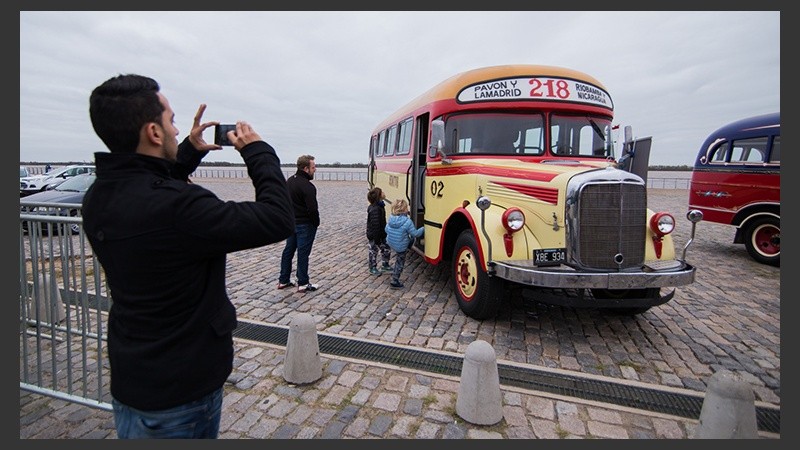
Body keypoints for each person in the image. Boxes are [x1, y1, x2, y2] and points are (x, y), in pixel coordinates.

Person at [82, 74, 294, 439]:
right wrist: (257, 150)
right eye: (172, 122)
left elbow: (149, 188)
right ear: (154, 132)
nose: (178, 130)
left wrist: (188, 152)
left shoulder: (98, 196)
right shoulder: (180, 208)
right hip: (181, 393)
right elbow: (277, 218)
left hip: (134, 377)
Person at [278, 154, 320, 293]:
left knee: (288, 251)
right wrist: (316, 223)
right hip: (305, 225)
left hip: (290, 223)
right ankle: (302, 282)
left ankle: (283, 280)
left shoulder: (289, 181)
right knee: (303, 253)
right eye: (313, 167)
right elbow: (312, 209)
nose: (315, 170)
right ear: (306, 168)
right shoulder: (308, 186)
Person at [384, 198, 424, 289]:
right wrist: (423, 228)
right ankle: (395, 281)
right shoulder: (407, 222)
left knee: (405, 240)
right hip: (401, 246)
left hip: (391, 242)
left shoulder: (391, 218)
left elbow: (386, 230)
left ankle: (407, 245)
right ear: (405, 209)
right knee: (400, 263)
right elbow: (415, 234)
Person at [366, 186, 392, 276]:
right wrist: (377, 239)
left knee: (386, 248)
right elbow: (375, 225)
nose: (384, 193)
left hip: (381, 234)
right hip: (375, 235)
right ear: (379, 196)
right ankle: (372, 267)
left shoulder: (380, 205)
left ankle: (385, 264)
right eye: (382, 192)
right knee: (373, 251)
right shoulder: (375, 209)